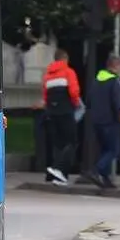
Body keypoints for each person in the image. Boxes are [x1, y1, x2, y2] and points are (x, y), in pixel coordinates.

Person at [41, 48, 82, 186]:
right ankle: (59, 169)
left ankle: (57, 176)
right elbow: (74, 91)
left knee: (58, 144)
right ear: (65, 59)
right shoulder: (68, 72)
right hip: (66, 111)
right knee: (72, 142)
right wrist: (76, 104)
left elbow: (45, 95)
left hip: (52, 113)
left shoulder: (47, 75)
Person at [88, 54, 120, 189]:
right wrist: (118, 118)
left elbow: (89, 100)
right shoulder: (115, 82)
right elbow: (116, 103)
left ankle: (105, 179)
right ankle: (96, 171)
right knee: (113, 150)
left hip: (97, 120)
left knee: (105, 149)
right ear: (116, 66)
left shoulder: (96, 80)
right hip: (110, 121)